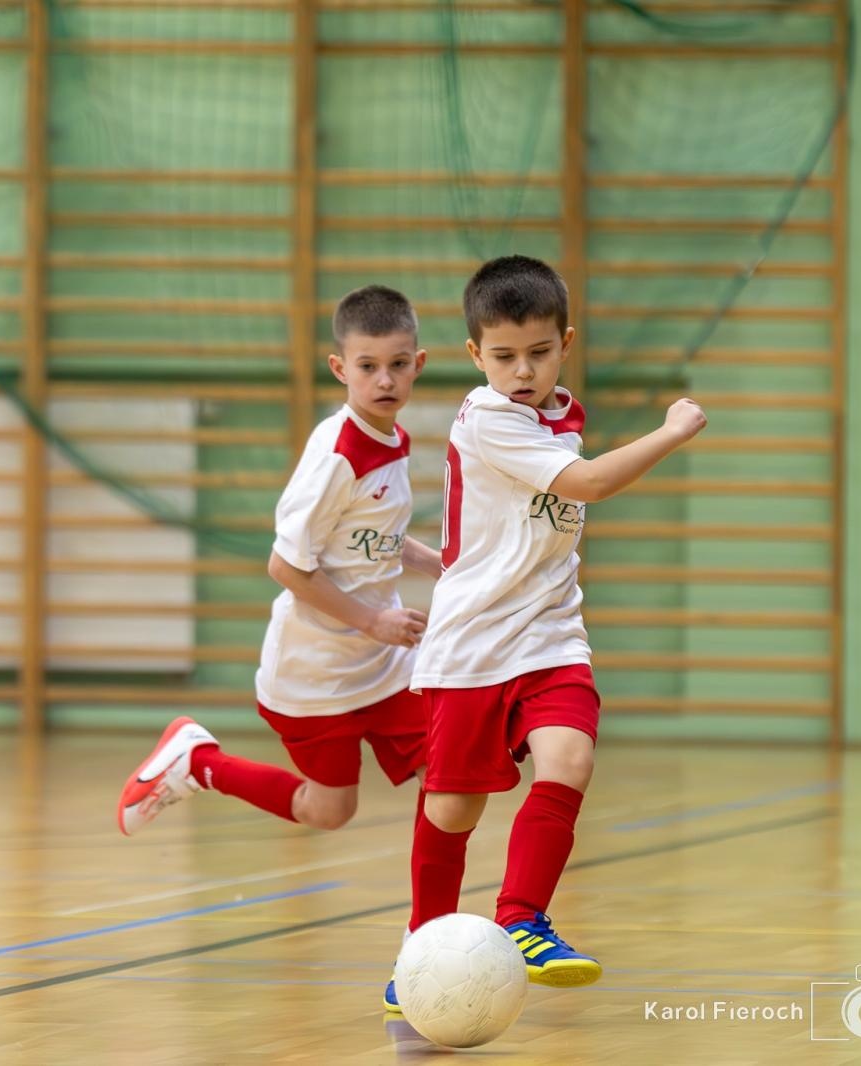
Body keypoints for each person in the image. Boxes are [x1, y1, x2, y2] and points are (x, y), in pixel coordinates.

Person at [389, 255, 707, 1009]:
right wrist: (673, 430)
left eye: (538, 352)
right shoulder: (489, 417)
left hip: (552, 633)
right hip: (473, 644)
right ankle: (420, 949)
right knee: (453, 810)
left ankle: (522, 919)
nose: (522, 371)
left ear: (566, 341)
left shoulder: (559, 410)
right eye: (503, 357)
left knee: (570, 756)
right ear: (475, 356)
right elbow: (591, 484)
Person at [118, 285, 439, 842]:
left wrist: (434, 562)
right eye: (368, 367)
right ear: (340, 368)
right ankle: (199, 764)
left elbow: (374, 535)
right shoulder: (339, 455)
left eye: (397, 365)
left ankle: (431, 922)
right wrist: (372, 620)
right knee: (329, 810)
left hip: (383, 666)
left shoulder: (395, 438)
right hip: (315, 670)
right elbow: (287, 567)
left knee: (445, 779)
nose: (384, 380)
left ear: (419, 365)